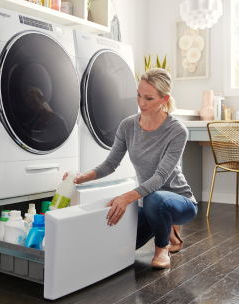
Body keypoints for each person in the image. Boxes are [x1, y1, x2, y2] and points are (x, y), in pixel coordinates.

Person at [63, 68, 198, 269]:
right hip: (149, 203)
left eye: (149, 98)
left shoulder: (177, 131)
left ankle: (162, 247)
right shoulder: (128, 126)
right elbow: (110, 164)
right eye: (138, 95)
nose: (141, 103)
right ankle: (167, 229)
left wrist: (126, 198)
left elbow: (160, 177)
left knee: (155, 198)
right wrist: (84, 177)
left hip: (180, 201)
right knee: (115, 246)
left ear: (164, 99)